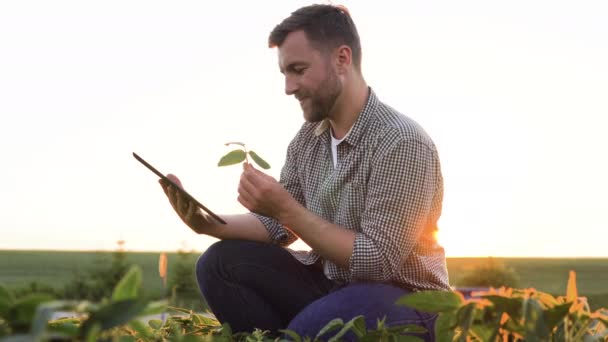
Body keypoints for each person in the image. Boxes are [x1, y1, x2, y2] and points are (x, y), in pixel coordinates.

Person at [159, 4, 450, 341]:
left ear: (342, 59)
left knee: (308, 332)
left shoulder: (401, 141)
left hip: (405, 299)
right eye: (284, 73)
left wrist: (286, 209)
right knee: (219, 264)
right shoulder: (308, 140)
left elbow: (377, 261)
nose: (289, 87)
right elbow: (276, 225)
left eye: (298, 70)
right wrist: (207, 224)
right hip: (334, 285)